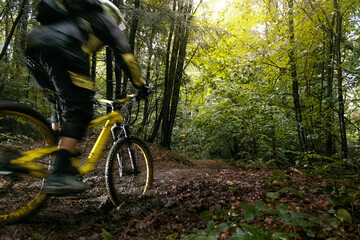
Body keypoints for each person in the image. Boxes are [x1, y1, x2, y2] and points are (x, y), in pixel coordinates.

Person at [25, 0, 150, 195]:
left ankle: (61, 157)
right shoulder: (105, 21)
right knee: (80, 112)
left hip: (35, 48)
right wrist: (139, 85)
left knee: (60, 102)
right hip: (62, 47)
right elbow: (126, 56)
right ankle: (61, 174)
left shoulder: (71, 18)